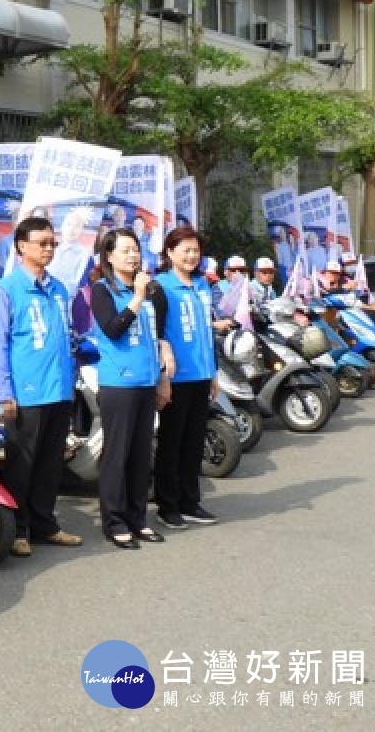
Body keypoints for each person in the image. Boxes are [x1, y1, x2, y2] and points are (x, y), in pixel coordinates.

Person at [0, 216, 83, 557]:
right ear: (21, 246)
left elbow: (65, 337)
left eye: (52, 243)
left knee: (51, 462)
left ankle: (45, 524)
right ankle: (18, 528)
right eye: (42, 242)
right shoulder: (5, 291)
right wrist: (4, 393)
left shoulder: (58, 289)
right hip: (26, 392)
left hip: (59, 389)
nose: (49, 248)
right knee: (21, 464)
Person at [89, 229, 172, 549]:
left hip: (146, 380)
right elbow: (113, 330)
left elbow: (155, 336)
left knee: (140, 455)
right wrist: (136, 297)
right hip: (119, 384)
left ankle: (138, 519)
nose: (132, 256)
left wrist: (161, 376)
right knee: (117, 455)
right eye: (125, 251)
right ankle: (114, 521)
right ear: (109, 256)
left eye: (135, 250)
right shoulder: (102, 290)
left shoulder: (150, 290)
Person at [154, 226, 225, 529]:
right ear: (170, 253)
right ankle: (167, 506)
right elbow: (155, 334)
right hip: (175, 378)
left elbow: (207, 333)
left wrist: (213, 373)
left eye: (196, 250)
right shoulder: (160, 286)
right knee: (172, 443)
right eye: (186, 250)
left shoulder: (202, 286)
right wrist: (162, 378)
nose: (192, 256)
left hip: (201, 375)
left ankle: (190, 502)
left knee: (194, 443)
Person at [48, 208, 92, 294]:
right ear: (62, 226)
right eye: (69, 224)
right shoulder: (51, 247)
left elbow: (79, 284)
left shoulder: (84, 255)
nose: (72, 229)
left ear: (81, 230)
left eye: (76, 226)